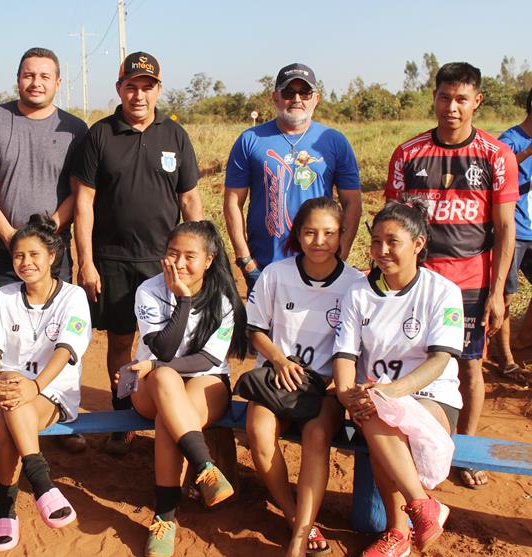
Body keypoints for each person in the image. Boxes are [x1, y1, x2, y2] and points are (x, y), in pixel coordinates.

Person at [385, 62, 519, 489]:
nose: (452, 108)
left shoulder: (497, 156)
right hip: (415, 280)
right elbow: (392, 220)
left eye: (461, 99)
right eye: (445, 97)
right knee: (408, 357)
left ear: (476, 101)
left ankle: (464, 449)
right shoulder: (408, 154)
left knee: (469, 366)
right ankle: (408, 440)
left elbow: (505, 229)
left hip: (470, 280)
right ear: (435, 98)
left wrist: (498, 292)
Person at [72, 51, 203, 455]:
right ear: (119, 89)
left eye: (147, 87)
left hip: (165, 262)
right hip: (112, 260)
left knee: (172, 338)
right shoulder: (100, 135)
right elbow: (84, 203)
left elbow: (191, 201)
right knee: (120, 340)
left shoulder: (175, 136)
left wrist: (197, 257)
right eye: (132, 86)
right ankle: (123, 412)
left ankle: (174, 409)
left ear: (158, 89)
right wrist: (87, 262)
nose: (139, 95)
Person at [0, 47, 88, 454]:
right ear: (17, 78)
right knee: (1, 336)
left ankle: (56, 408)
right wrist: (8, 234)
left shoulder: (75, 128)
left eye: (44, 76)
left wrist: (49, 230)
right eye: (28, 75)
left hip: (51, 251)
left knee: (57, 334)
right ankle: (2, 410)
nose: (35, 82)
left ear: (57, 82)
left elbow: (79, 192)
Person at [333, 199, 463, 557]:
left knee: (381, 412)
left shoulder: (442, 292)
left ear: (419, 244)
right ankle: (419, 509)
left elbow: (439, 361)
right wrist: (348, 398)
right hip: (374, 399)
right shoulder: (358, 293)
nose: (382, 250)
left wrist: (389, 393)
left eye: (392, 241)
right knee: (377, 413)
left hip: (432, 397)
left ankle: (398, 530)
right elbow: (345, 357)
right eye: (376, 241)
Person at [245, 198, 363, 556]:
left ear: (342, 235)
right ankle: (294, 514)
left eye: (329, 233)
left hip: (324, 388)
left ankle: (301, 534)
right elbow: (254, 329)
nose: (319, 241)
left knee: (316, 435)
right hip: (277, 378)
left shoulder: (356, 284)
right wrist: (279, 360)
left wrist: (333, 383)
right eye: (310, 232)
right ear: (297, 233)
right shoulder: (276, 273)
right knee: (258, 432)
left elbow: (358, 348)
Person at [124, 220, 246, 557]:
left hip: (204, 379)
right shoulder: (149, 290)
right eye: (172, 254)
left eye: (189, 256)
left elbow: (207, 359)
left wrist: (158, 366)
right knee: (165, 382)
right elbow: (162, 350)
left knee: (170, 416)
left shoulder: (223, 299)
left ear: (208, 260)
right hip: (149, 383)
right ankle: (205, 467)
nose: (178, 263)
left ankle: (164, 516)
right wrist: (184, 301)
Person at [0, 214, 91, 552]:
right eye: (18, 256)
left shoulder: (73, 297)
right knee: (10, 384)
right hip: (3, 388)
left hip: (52, 390)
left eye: (34, 255)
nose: (25, 263)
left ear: (52, 256)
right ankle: (41, 482)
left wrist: (35, 386)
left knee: (4, 422)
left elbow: (65, 351)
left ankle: (4, 506)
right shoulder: (3, 296)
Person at [224, 63, 362, 293]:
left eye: (305, 92)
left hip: (319, 262)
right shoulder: (250, 140)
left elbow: (353, 203)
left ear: (316, 98)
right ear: (275, 97)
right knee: (263, 329)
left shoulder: (334, 141)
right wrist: (245, 259)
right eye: (289, 92)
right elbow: (232, 202)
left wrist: (341, 253)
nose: (297, 99)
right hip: (265, 264)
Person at [494, 87, 532, 376]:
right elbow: (496, 168)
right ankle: (505, 358)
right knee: (505, 296)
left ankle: (523, 339)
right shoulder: (511, 140)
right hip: (514, 230)